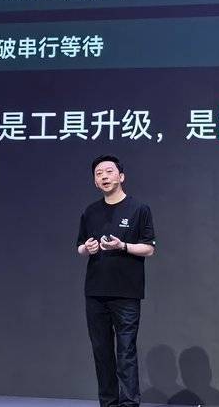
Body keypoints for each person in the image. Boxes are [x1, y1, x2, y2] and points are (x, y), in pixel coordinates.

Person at [76, 155, 156, 407]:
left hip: (126, 292)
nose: (104, 176)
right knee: (101, 353)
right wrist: (87, 248)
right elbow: (80, 246)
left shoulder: (139, 209)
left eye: (109, 171)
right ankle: (108, 403)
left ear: (121, 176)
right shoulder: (90, 211)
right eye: (98, 174)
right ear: (95, 182)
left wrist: (123, 246)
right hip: (95, 292)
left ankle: (129, 403)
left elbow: (149, 248)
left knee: (126, 351)